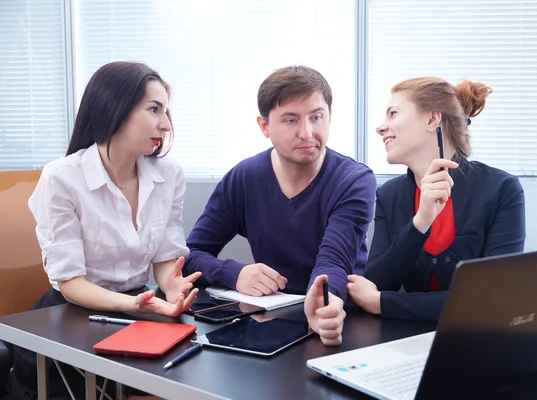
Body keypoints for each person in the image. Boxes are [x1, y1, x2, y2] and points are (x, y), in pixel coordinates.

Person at [4, 62, 200, 400]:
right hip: (74, 315)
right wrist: (133, 304)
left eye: (166, 112)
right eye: (154, 109)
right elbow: (71, 284)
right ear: (116, 108)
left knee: (189, 372)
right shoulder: (63, 177)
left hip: (139, 306)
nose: (166, 125)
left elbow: (167, 256)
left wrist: (172, 284)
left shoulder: (170, 175)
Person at [184, 65, 377, 346]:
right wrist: (234, 273)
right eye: (290, 120)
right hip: (268, 321)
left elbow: (333, 262)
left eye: (316, 117)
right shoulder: (244, 177)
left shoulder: (354, 180)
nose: (307, 132)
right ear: (264, 126)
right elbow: (191, 254)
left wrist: (324, 301)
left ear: (330, 117)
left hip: (335, 316)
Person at [347, 77, 526, 322]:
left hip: (476, 344)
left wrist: (384, 303)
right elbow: (375, 283)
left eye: (393, 114)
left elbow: (491, 300)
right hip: (401, 344)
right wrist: (420, 222)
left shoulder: (501, 190)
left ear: (432, 119)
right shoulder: (388, 195)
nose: (381, 127)